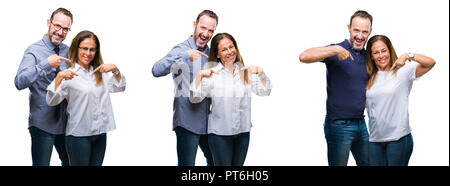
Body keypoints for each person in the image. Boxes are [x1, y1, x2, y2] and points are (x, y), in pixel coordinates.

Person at [299, 10, 373, 166]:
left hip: (361, 123)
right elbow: (304, 56)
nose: (360, 35)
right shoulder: (337, 50)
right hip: (339, 125)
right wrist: (335, 49)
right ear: (349, 28)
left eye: (364, 31)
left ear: (369, 32)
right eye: (356, 30)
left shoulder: (368, 56)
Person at [190, 33, 272, 166]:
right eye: (224, 49)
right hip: (219, 134)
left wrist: (260, 72)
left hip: (243, 133)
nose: (230, 52)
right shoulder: (212, 74)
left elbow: (265, 91)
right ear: (217, 54)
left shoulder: (245, 71)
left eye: (231, 47)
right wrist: (199, 76)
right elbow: (195, 98)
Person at [46, 30, 126, 166]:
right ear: (76, 48)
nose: (88, 53)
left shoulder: (99, 73)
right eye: (84, 48)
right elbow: (51, 101)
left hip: (100, 134)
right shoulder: (69, 74)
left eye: (92, 49)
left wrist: (115, 69)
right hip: (79, 136)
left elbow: (120, 87)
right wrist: (59, 78)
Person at [152, 10, 218, 166]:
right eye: (203, 28)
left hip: (209, 122)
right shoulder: (181, 49)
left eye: (210, 31)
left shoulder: (212, 54)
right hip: (187, 121)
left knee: (216, 161)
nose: (206, 34)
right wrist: (184, 56)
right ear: (195, 25)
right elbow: (156, 70)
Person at [14, 8, 73, 166]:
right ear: (49, 23)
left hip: (66, 125)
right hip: (42, 125)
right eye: (57, 26)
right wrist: (46, 64)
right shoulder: (33, 50)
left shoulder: (68, 51)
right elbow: (19, 82)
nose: (60, 32)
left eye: (65, 29)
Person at [365, 35, 435, 166]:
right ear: (371, 56)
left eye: (383, 50)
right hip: (374, 140)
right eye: (376, 52)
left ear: (389, 51)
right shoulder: (369, 76)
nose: (381, 56)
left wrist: (408, 55)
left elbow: (430, 63)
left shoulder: (403, 71)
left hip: (398, 140)